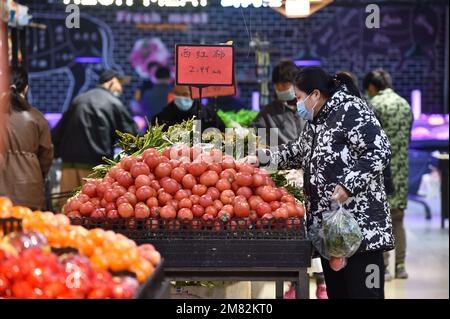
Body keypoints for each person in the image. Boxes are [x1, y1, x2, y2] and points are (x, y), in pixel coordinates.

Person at [249, 66, 394, 299]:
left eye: (298, 97)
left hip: (361, 232)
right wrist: (261, 159)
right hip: (331, 234)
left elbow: (379, 150)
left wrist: (348, 185)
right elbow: (297, 152)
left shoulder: (351, 110)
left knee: (364, 294)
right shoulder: (317, 121)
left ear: (315, 95)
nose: (296, 104)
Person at [52, 69, 137, 195]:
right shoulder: (113, 103)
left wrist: (56, 155)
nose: (121, 89)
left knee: (68, 207)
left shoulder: (79, 99)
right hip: (94, 167)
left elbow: (58, 132)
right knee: (91, 207)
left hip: (69, 165)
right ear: (112, 82)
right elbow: (130, 136)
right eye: (120, 84)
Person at [363, 69, 413, 280]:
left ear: (372, 88)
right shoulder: (405, 104)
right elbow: (408, 137)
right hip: (402, 171)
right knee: (398, 221)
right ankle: (401, 266)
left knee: (380, 220)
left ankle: (383, 268)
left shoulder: (375, 105)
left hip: (383, 173)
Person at [0, 67, 53, 210]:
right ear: (26, 88)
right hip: (30, 189)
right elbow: (46, 155)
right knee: (29, 230)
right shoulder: (37, 117)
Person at [250, 60, 305, 146]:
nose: (280, 90)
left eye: (284, 85)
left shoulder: (309, 107)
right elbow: (252, 133)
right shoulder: (269, 112)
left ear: (296, 84)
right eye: (277, 86)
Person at [151, 85, 226, 133]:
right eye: (177, 94)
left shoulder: (209, 115)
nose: (181, 97)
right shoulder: (161, 118)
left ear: (192, 94)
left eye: (185, 94)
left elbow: (223, 134)